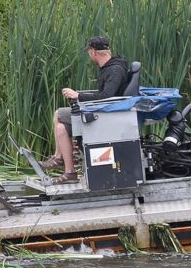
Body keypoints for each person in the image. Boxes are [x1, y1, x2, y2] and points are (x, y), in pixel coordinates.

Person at [40, 36, 129, 184]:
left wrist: (78, 95)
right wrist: (80, 95)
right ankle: (70, 172)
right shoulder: (110, 67)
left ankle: (58, 158)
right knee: (61, 128)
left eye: (89, 52)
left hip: (106, 116)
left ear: (93, 52)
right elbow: (104, 95)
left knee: (59, 114)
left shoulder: (115, 70)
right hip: (102, 111)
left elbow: (107, 96)